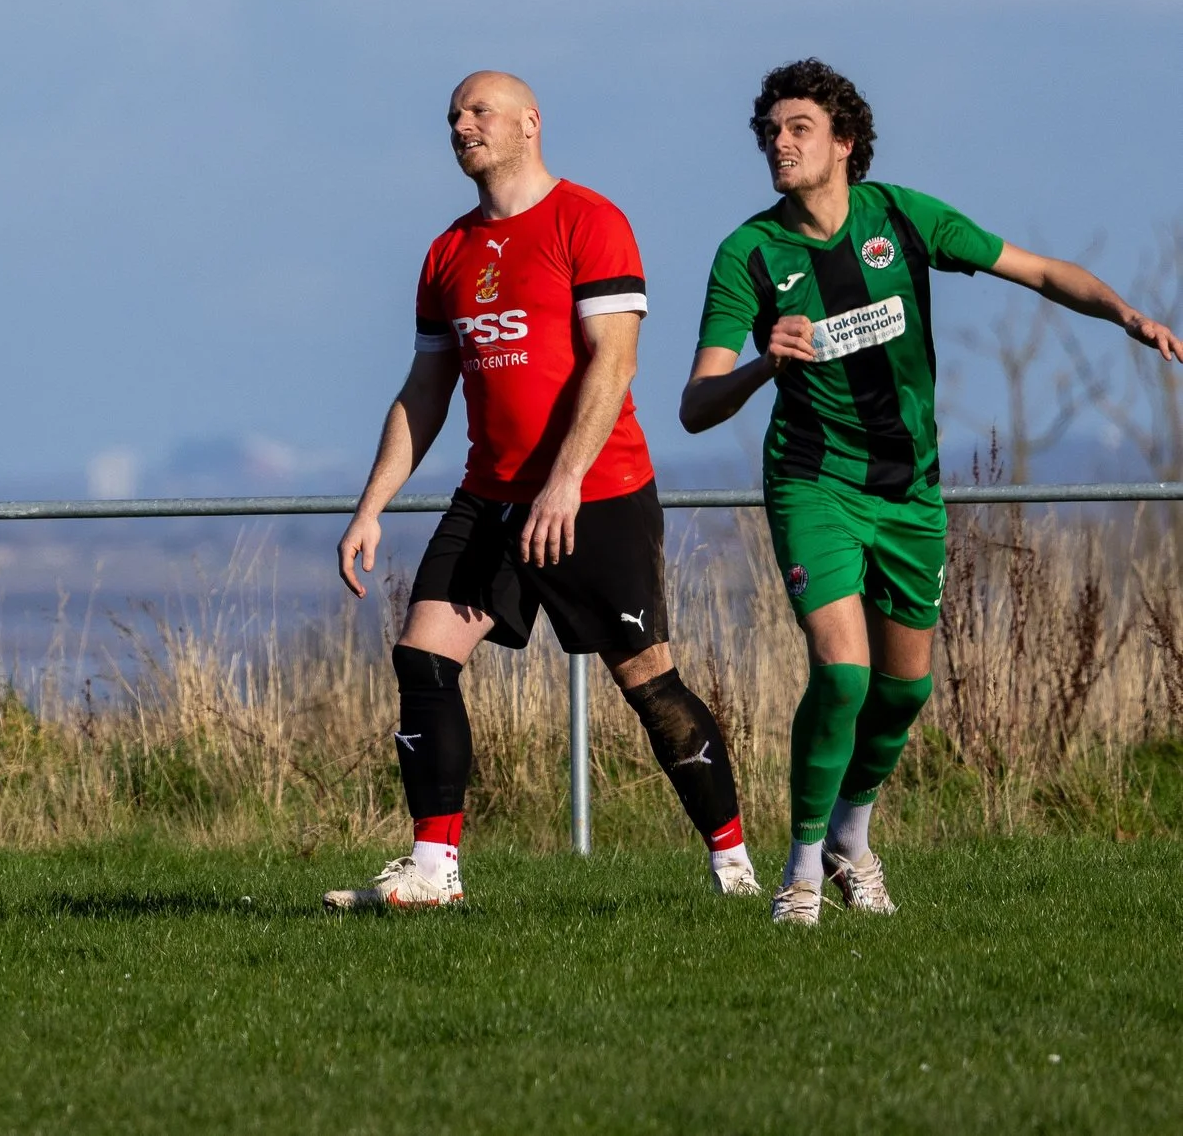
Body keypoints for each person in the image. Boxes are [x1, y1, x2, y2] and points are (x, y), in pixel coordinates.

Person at [681, 59, 1180, 925]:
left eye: (798, 127)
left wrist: (1126, 314)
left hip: (911, 491)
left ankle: (851, 839)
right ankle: (799, 873)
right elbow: (695, 405)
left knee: (905, 691)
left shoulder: (903, 219)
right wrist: (767, 363)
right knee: (843, 676)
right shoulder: (749, 254)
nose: (779, 143)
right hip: (814, 483)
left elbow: (1040, 271)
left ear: (844, 143)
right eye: (769, 131)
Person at [328, 71, 756, 912]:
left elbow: (615, 361)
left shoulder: (588, 221)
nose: (461, 125)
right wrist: (369, 506)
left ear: (530, 123)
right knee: (422, 656)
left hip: (597, 495)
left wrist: (564, 483)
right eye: (452, 114)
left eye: (479, 111)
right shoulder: (448, 251)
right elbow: (425, 390)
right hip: (491, 496)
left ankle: (736, 867)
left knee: (647, 683)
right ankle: (432, 869)